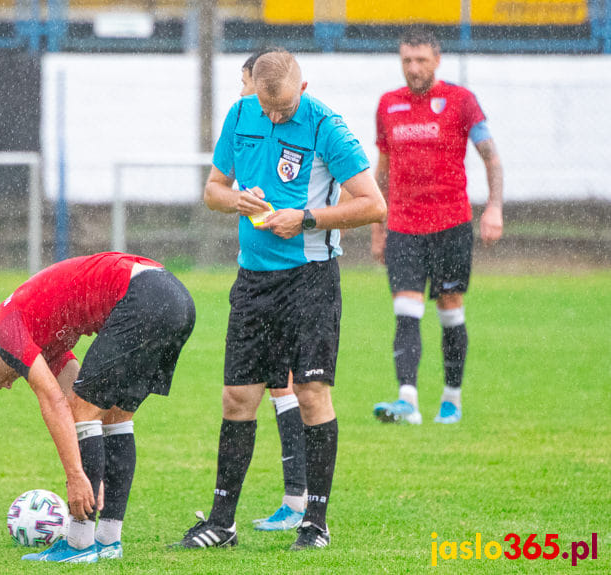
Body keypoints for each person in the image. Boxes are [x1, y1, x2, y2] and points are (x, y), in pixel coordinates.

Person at [173, 49, 386, 551]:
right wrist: (235, 201)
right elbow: (212, 191)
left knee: (311, 395)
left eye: (284, 110)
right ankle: (222, 523)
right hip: (253, 280)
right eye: (266, 108)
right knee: (238, 398)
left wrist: (307, 218)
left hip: (310, 279)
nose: (273, 117)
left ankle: (315, 523)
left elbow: (373, 205)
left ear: (303, 89)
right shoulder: (241, 113)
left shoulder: (327, 127)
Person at [0, 252, 195, 563]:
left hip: (143, 295)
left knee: (87, 410)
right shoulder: (40, 336)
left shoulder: (6, 329)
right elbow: (76, 396)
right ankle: (109, 540)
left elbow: (55, 401)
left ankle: (79, 544)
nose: (5, 386)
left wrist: (76, 477)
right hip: (175, 299)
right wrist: (96, 472)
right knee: (113, 416)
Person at [371, 26, 503, 425]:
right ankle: (407, 401)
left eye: (421, 60)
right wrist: (378, 228)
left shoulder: (462, 102)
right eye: (407, 60)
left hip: (450, 225)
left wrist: (494, 207)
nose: (413, 68)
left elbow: (491, 158)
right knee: (405, 311)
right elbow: (383, 171)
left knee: (449, 311)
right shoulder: (387, 105)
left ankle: (451, 397)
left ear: (437, 60)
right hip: (404, 227)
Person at [238, 48, 307, 532]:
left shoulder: (305, 125)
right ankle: (296, 499)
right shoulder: (247, 124)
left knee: (294, 387)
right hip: (257, 271)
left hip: (297, 277)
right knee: (279, 384)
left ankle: (300, 501)